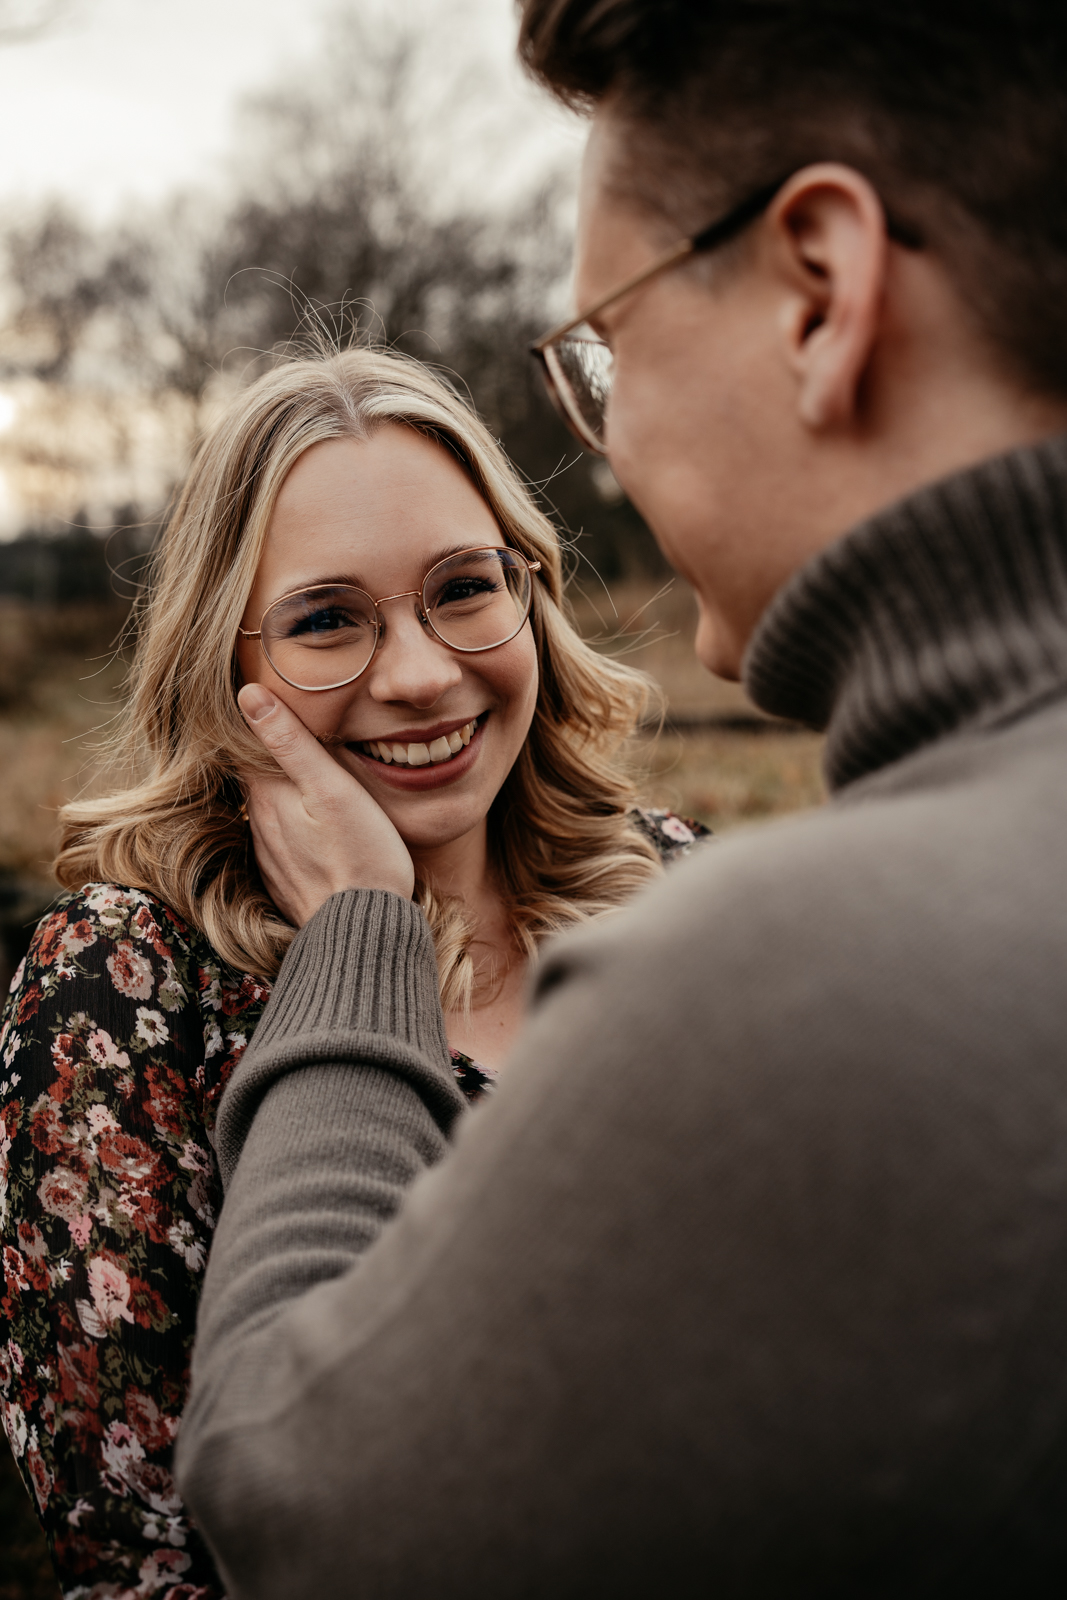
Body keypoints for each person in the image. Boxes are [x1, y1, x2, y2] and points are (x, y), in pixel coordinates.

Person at [176, 1, 1067, 1594]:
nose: (614, 445)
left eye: (611, 346)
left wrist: (363, 938)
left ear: (819, 292)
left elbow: (292, 1509)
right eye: (327, 617)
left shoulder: (772, 977)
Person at [0, 344, 699, 1597]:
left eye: (463, 588)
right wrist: (361, 932)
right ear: (228, 661)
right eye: (328, 619)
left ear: (529, 592)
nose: (423, 673)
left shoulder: (683, 893)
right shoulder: (125, 984)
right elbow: (149, 1555)